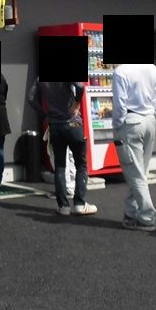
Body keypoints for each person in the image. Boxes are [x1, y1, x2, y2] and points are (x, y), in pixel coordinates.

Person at [27, 80, 97, 215]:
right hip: (73, 124)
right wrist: (77, 102)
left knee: (59, 166)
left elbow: (31, 98)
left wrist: (44, 115)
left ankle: (63, 206)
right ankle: (79, 204)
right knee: (81, 164)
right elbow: (80, 86)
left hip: (55, 125)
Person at [112, 62, 156, 231]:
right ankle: (130, 213)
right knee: (141, 172)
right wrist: (150, 114)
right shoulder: (153, 69)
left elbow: (119, 105)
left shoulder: (121, 72)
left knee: (135, 174)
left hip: (130, 123)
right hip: (149, 120)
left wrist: (117, 125)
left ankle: (147, 217)